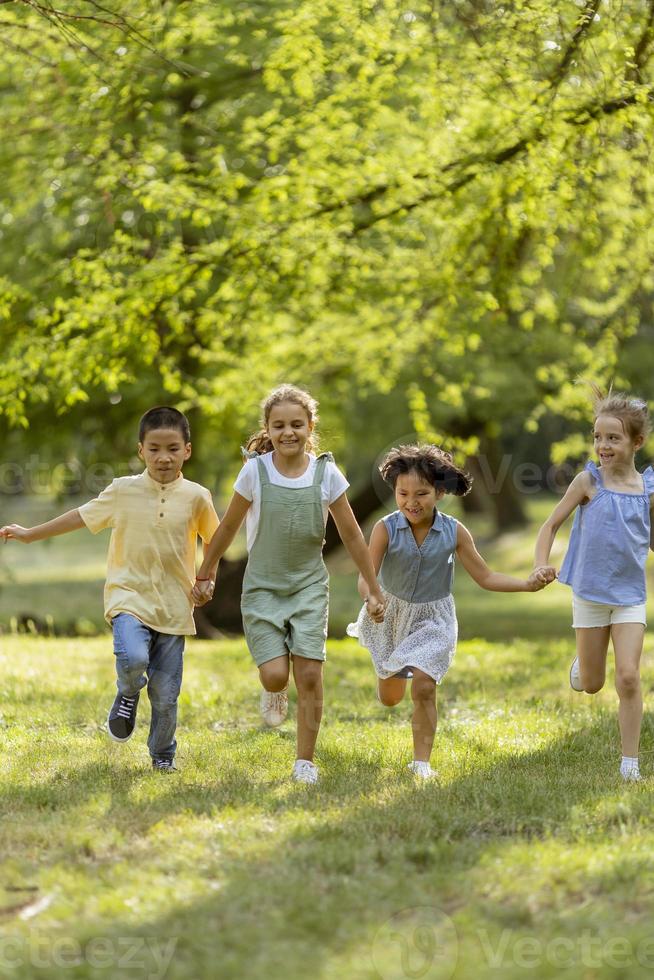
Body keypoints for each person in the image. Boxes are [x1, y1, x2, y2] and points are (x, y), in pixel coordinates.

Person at [1, 406, 219, 772]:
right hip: (127, 597)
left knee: (166, 696)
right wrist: (29, 534)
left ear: (187, 450)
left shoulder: (197, 496)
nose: (163, 457)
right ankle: (127, 692)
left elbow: (214, 540)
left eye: (172, 448)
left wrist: (206, 579)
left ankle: (162, 755)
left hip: (174, 605)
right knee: (132, 660)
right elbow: (80, 516)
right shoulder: (122, 490)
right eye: (154, 448)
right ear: (140, 451)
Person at [193, 384, 385, 785]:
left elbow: (351, 533)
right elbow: (228, 525)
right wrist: (206, 570)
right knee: (276, 674)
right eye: (278, 425)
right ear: (267, 428)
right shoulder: (255, 471)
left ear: (310, 426)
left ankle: (305, 762)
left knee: (311, 675)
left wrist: (372, 586)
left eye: (297, 424)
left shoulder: (326, 473)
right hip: (262, 587)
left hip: (309, 586)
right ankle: (273, 689)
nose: (288, 432)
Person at [348, 444, 551, 780]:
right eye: (403, 494)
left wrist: (525, 584)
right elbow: (366, 576)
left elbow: (485, 576)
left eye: (422, 493)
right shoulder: (385, 527)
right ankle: (388, 673)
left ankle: (421, 764)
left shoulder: (455, 532)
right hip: (390, 615)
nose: (411, 502)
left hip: (433, 619)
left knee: (424, 686)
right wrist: (372, 598)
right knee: (389, 698)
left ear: (440, 492)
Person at [534, 386, 653, 782]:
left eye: (613, 438)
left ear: (637, 442)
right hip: (589, 594)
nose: (603, 445)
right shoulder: (588, 483)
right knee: (593, 683)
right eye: (598, 437)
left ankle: (629, 764)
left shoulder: (648, 490)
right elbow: (550, 525)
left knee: (629, 677)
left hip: (629, 597)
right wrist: (540, 564)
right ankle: (583, 668)